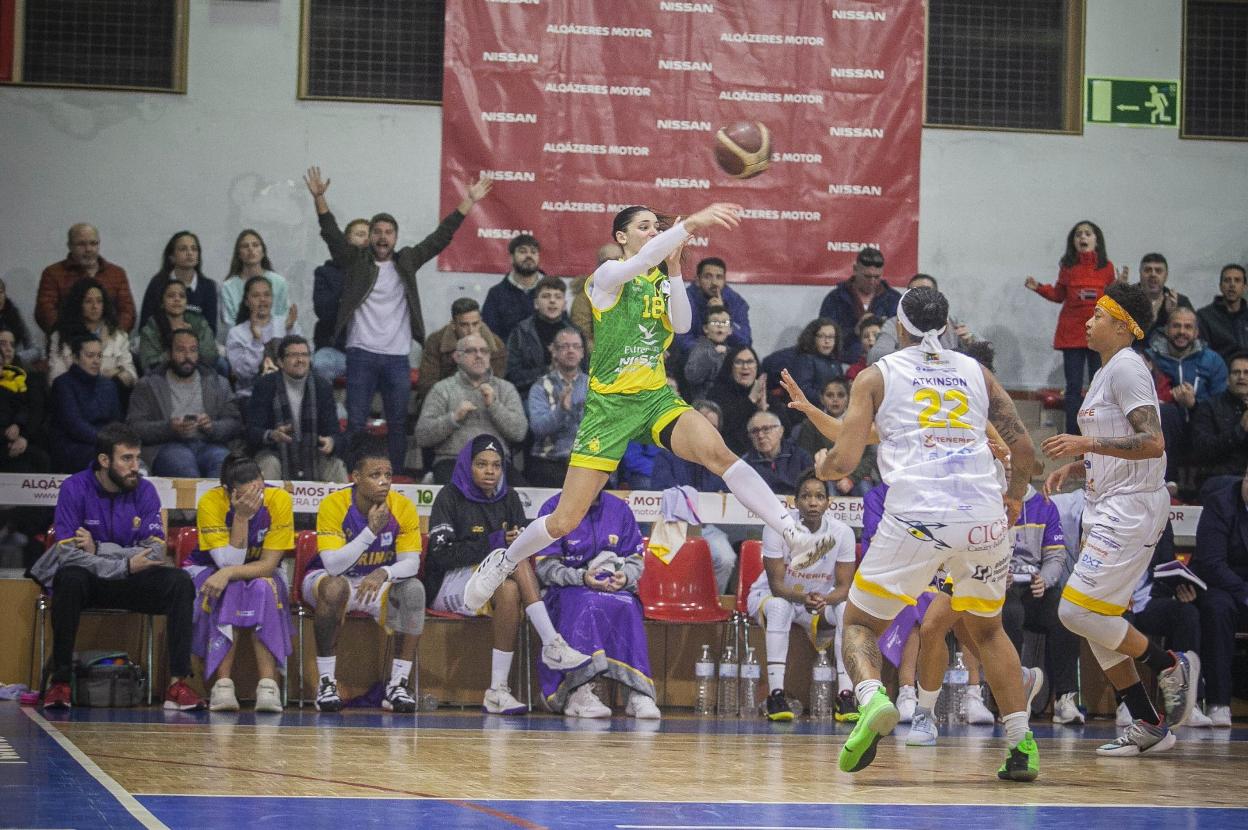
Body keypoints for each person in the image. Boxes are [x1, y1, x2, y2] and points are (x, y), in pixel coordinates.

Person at [461, 202, 830, 617]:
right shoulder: (606, 275)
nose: (654, 232)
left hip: (654, 398)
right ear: (622, 237)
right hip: (609, 408)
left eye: (657, 227)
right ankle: (506, 559)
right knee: (564, 520)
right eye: (644, 226)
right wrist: (690, 224)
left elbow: (683, 326)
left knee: (719, 454)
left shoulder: (659, 280)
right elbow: (637, 263)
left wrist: (674, 270)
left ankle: (792, 530)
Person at [785, 285, 1040, 780]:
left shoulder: (877, 375)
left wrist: (823, 465)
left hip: (918, 516)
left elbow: (845, 460)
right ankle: (1020, 744)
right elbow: (1024, 448)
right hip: (982, 517)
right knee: (989, 631)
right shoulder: (976, 372)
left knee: (858, 624)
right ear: (944, 327)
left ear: (898, 327)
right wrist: (1012, 499)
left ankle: (873, 698)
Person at [1042, 280, 1200, 757]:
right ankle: (1150, 724)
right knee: (1098, 619)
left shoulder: (1129, 368)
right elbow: (1117, 443)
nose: (1088, 322)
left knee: (1074, 612)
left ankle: (1169, 663)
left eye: (1098, 316)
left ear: (1123, 325)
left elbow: (1153, 443)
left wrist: (1087, 443)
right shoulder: (1106, 370)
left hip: (1130, 508)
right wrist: (1081, 465)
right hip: (1107, 501)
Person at [304, 166, 492, 473]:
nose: (382, 237)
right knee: (356, 422)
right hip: (361, 353)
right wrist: (319, 199)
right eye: (377, 232)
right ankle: (354, 475)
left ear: (396, 237)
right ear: (370, 238)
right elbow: (332, 235)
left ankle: (394, 478)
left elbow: (440, 237)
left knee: (397, 423)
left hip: (396, 357)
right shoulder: (356, 261)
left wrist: (468, 201)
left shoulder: (407, 260)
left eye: (388, 232)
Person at [32, 423, 204, 711]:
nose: (135, 466)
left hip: (132, 580)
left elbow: (155, 551)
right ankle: (60, 683)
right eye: (127, 459)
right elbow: (68, 555)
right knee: (69, 578)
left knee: (179, 582)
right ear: (104, 460)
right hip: (91, 583)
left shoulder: (145, 490)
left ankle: (177, 684)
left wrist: (99, 549)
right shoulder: (74, 488)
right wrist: (124, 564)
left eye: (137, 458)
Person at [425, 436, 589, 714]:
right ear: (467, 465)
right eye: (482, 464)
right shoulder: (448, 496)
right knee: (513, 557)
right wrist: (496, 541)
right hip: (449, 584)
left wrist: (511, 542)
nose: (490, 471)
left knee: (512, 583)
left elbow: (522, 545)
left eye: (496, 465)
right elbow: (441, 555)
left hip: (493, 580)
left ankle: (497, 690)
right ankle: (551, 642)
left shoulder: (509, 497)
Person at [305, 436, 426, 713]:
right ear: (356, 477)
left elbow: (412, 564)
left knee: (414, 590)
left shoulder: (402, 507)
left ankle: (397, 684)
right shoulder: (334, 504)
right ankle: (326, 683)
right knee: (334, 587)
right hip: (327, 578)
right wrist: (370, 531)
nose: (384, 482)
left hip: (373, 582)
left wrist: (384, 571)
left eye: (388, 475)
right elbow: (333, 566)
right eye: (375, 475)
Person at [534, 489, 660, 718]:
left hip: (611, 587)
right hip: (564, 590)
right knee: (586, 602)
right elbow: (545, 567)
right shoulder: (552, 508)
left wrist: (625, 577)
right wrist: (581, 578)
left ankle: (637, 693)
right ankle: (577, 691)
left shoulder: (619, 509)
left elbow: (635, 559)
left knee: (628, 604)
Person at [186, 453, 294, 712]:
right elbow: (225, 563)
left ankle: (268, 685)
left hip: (260, 570)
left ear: (263, 480)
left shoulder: (279, 499)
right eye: (246, 496)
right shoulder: (211, 502)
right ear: (229, 491)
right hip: (209, 567)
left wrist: (228, 573)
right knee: (230, 588)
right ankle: (222, 685)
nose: (255, 501)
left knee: (263, 586)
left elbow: (268, 565)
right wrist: (241, 518)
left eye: (259, 491)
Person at [746, 470, 857, 721]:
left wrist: (825, 600)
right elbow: (776, 586)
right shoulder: (778, 527)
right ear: (795, 502)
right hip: (772, 596)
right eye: (806, 496)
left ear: (828, 502)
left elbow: (844, 587)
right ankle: (776, 695)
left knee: (845, 609)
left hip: (818, 602)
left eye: (819, 496)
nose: (813, 502)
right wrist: (805, 598)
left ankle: (845, 696)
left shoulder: (842, 532)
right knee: (780, 607)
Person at [1024, 220, 1124, 435]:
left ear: (1097, 240)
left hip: (1099, 333)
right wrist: (1039, 288)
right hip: (1072, 334)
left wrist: (1120, 286)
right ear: (1073, 241)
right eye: (1078, 234)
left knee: (1100, 385)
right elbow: (1059, 295)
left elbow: (1113, 298)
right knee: (1073, 388)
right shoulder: (1068, 267)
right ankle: (1072, 434)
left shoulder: (1107, 267)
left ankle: (1098, 433)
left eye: (1087, 233)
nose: (1083, 237)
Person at [1122, 520, 1213, 727]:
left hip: (1148, 599)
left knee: (1186, 614)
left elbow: (1166, 566)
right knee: (1120, 622)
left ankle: (1189, 703)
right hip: (1116, 597)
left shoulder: (1160, 516)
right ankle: (1127, 703)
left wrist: (1181, 588)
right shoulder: (1107, 512)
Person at [414, 333, 528, 483]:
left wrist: (494, 406)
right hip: (453, 460)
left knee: (522, 492)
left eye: (484, 351)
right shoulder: (442, 389)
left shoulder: (505, 389)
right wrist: (453, 418)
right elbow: (422, 436)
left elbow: (519, 433)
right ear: (457, 357)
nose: (479, 355)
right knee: (453, 492)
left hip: (496, 462)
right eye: (471, 351)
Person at [126, 329, 241, 478]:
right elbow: (134, 427)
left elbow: (235, 423)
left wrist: (212, 427)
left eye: (193, 350)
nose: (188, 356)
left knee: (222, 464)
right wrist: (169, 428)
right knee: (185, 469)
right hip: (167, 446)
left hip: (210, 444)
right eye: (181, 350)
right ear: (169, 353)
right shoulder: (148, 385)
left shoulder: (218, 383)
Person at [650, 399, 737, 593]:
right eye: (703, 424)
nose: (707, 431)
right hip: (672, 525)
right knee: (662, 559)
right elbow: (661, 489)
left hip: (707, 527)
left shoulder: (719, 459)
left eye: (713, 427)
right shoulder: (667, 454)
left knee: (726, 558)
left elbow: (725, 492)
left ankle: (709, 600)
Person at [247, 335, 346, 482]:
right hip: (275, 452)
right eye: (294, 355)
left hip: (313, 452)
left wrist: (331, 442)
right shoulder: (265, 385)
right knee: (269, 464)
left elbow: (334, 432)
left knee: (336, 465)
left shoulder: (322, 386)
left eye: (304, 355)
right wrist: (272, 435)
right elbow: (251, 431)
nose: (300, 360)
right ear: (280, 362)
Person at [1191, 474, 1248, 727]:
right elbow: (1212, 562)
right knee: (1218, 609)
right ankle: (1219, 702)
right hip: (1219, 583)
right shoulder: (1220, 503)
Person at [1148, 306, 1227, 478]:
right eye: (1176, 326)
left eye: (1188, 327)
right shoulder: (1149, 359)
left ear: (1196, 332)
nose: (1182, 332)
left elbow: (1222, 406)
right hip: (1162, 430)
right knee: (1166, 412)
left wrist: (1194, 404)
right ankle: (1166, 480)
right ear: (1166, 329)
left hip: (1201, 430)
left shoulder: (1213, 361)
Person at [36, 223, 136, 334]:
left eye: (93, 243)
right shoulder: (53, 273)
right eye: (81, 244)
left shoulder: (116, 273)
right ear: (70, 246)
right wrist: (74, 337)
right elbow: (45, 312)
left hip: (110, 339)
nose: (88, 249)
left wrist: (114, 336)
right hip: (68, 340)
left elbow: (127, 312)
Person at [46, 278, 137, 393]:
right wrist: (95, 378)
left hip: (111, 393)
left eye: (99, 301)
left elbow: (132, 375)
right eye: (88, 301)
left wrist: (118, 374)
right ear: (78, 304)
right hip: (74, 396)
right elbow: (55, 379)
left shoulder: (118, 336)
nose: (95, 306)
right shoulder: (61, 336)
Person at [793, 377, 879, 497]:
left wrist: (851, 479)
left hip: (856, 476)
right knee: (825, 490)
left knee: (866, 492)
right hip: (823, 476)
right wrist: (826, 472)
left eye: (840, 395)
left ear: (849, 399)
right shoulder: (811, 424)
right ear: (821, 398)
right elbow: (805, 455)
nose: (835, 400)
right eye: (830, 395)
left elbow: (869, 456)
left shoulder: (861, 422)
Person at [526, 327, 588, 487]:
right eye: (565, 346)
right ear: (554, 351)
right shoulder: (540, 387)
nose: (571, 350)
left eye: (576, 346)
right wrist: (561, 410)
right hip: (550, 461)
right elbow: (538, 428)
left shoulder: (593, 386)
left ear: (582, 353)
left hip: (586, 462)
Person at [50, 335, 122, 473]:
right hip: (74, 445)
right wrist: (107, 442)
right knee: (108, 460)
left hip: (106, 444)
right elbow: (74, 425)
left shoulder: (109, 385)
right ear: (75, 358)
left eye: (99, 355)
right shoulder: (63, 384)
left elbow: (116, 421)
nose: (96, 361)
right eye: (90, 356)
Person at [867, 274, 976, 364]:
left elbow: (982, 356)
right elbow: (875, 356)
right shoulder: (895, 322)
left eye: (927, 292)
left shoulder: (951, 321)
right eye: (914, 293)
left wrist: (970, 343)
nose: (921, 298)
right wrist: (926, 357)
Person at [311, 218, 369, 386]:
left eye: (369, 235)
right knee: (321, 364)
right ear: (346, 241)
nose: (366, 239)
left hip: (371, 352)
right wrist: (349, 281)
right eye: (360, 234)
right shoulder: (326, 273)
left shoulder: (382, 273)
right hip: (337, 349)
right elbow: (324, 312)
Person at [417, 297, 507, 403]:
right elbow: (427, 384)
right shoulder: (436, 342)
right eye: (464, 325)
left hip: (482, 402)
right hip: (445, 400)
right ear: (453, 325)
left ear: (481, 322)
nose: (471, 330)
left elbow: (496, 385)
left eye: (475, 324)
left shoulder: (495, 345)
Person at [818, 247, 900, 362]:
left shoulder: (893, 299)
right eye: (867, 276)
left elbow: (901, 337)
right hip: (843, 362)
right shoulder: (835, 298)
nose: (872, 281)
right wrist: (854, 331)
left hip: (883, 362)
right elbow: (824, 336)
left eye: (877, 277)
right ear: (855, 269)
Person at [225, 275, 301, 396]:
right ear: (246, 301)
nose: (262, 299)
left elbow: (300, 364)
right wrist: (256, 340)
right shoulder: (236, 333)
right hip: (252, 394)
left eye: (267, 295)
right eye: (256, 296)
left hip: (286, 393)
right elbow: (243, 374)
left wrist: (290, 332)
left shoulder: (286, 324)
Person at [506, 275, 576, 401]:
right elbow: (512, 376)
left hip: (569, 395)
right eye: (546, 296)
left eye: (558, 297)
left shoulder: (575, 334)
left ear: (564, 305)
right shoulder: (520, 332)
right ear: (536, 304)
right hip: (530, 396)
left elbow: (586, 373)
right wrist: (548, 370)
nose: (552, 301)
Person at [139, 231, 220, 336]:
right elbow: (145, 325)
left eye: (194, 249)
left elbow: (211, 330)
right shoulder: (158, 283)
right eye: (183, 249)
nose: (190, 253)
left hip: (196, 343)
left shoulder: (208, 286)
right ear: (171, 257)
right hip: (160, 341)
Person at [137, 279, 219, 375]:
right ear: (162, 302)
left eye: (182, 296)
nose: (177, 299)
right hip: (162, 376)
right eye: (171, 296)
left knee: (221, 364)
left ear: (186, 302)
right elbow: (148, 365)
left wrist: (191, 340)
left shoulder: (198, 322)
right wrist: (175, 345)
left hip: (197, 371)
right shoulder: (151, 328)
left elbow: (211, 355)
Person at [674, 256, 752, 353]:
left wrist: (722, 312)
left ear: (724, 280)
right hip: (694, 355)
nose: (714, 282)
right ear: (697, 280)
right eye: (708, 277)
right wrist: (709, 352)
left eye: (719, 277)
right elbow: (681, 339)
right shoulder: (684, 300)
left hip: (727, 354)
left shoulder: (736, 302)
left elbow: (745, 340)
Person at [219, 229, 291, 333]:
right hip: (240, 339)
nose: (251, 249)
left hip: (275, 338)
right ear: (239, 254)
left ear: (263, 252)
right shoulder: (228, 287)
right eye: (245, 246)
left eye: (255, 245)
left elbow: (283, 318)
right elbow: (229, 324)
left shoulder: (279, 282)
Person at [1190, 351, 1248, 479]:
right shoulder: (1209, 407)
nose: (1241, 377)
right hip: (1220, 477)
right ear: (1227, 379)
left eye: (1246, 373)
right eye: (1236, 372)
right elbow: (1203, 451)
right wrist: (1240, 430)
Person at [0, 326, 49, 473]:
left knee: (39, 459)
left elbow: (35, 412)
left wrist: (23, 437)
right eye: (2, 343)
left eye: (12, 345)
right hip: (4, 438)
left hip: (24, 437)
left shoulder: (29, 377)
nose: (8, 349)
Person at [709, 344, 770, 455]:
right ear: (730, 367)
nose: (745, 367)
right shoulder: (717, 393)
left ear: (757, 367)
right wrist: (751, 400)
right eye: (739, 362)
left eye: (750, 362)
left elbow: (785, 429)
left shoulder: (764, 393)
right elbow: (726, 427)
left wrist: (763, 411)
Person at [482, 234, 543, 343]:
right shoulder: (496, 294)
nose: (529, 255)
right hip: (508, 352)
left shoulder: (552, 290)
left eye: (533, 252)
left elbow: (562, 329)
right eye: (523, 251)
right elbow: (489, 335)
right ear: (511, 258)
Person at [743, 411, 813, 495]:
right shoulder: (745, 464)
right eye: (755, 431)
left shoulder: (801, 457)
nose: (760, 435)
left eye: (766, 429)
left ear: (780, 431)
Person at [569, 243, 623, 352]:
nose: (612, 265)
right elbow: (583, 338)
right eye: (606, 261)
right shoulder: (584, 298)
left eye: (618, 260)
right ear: (598, 266)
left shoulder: (636, 291)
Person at [1197, 263, 1248, 362]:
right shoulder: (1205, 317)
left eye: (1237, 280)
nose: (1232, 285)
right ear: (1220, 286)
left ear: (1244, 287)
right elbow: (1203, 355)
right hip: (1219, 370)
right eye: (1227, 280)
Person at [682, 307, 733, 400]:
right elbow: (692, 376)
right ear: (705, 328)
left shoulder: (732, 352)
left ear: (730, 330)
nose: (720, 326)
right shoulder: (699, 349)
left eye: (724, 323)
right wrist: (713, 354)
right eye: (715, 322)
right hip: (704, 402)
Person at [790, 318, 847, 403]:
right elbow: (802, 390)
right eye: (821, 336)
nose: (827, 341)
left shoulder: (835, 361)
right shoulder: (806, 360)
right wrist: (827, 399)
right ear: (812, 338)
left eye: (831, 337)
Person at [1137, 253, 1192, 339]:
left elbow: (1192, 337)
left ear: (1166, 276)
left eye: (1158, 271)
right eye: (1147, 270)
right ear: (1140, 274)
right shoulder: (1126, 299)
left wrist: (1172, 315)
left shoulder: (1181, 302)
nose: (1153, 274)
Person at [0, 278, 39, 364]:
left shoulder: (13, 314)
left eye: (1, 292)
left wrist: (16, 358)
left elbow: (35, 349)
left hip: (13, 364)